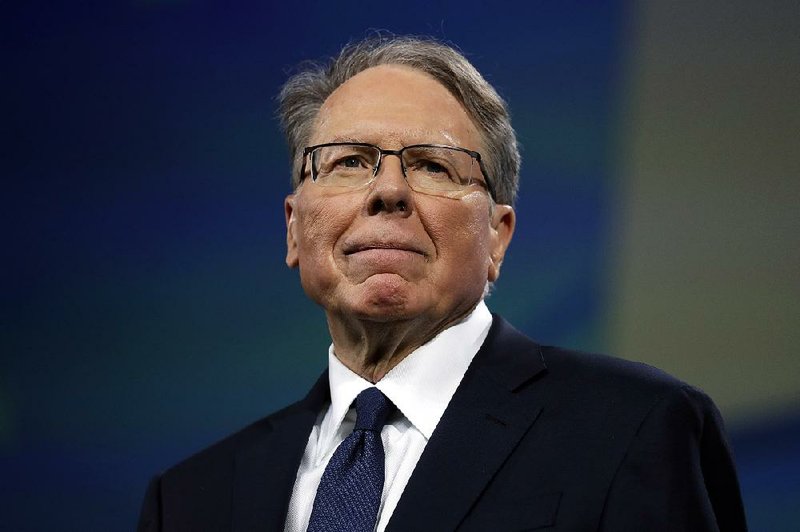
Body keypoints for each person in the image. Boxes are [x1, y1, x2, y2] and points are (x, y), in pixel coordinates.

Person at [137, 35, 748, 531]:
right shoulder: (191, 499)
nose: (388, 191)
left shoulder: (633, 431)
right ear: (296, 229)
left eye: (432, 164)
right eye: (349, 161)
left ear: (498, 237)